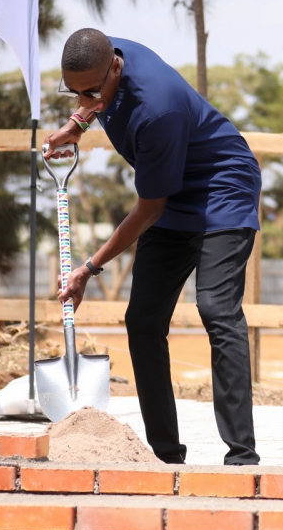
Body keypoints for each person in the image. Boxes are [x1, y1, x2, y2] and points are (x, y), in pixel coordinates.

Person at [45, 29, 262, 465]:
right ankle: (165, 457)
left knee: (217, 310)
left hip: (221, 188)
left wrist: (90, 267)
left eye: (91, 91)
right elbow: (95, 99)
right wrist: (76, 124)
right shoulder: (101, 55)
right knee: (143, 319)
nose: (85, 97)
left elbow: (148, 210)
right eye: (74, 92)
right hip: (172, 193)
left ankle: (242, 457)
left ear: (116, 68)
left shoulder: (157, 108)